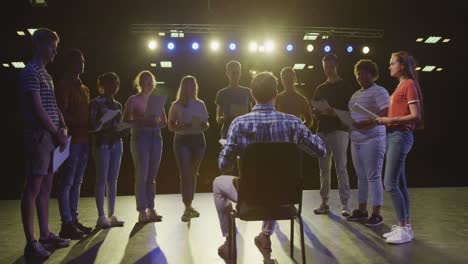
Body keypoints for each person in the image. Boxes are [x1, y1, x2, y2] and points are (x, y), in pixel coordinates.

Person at [213, 72, 326, 263]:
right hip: (285, 196)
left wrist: (230, 148)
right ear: (276, 93)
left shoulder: (239, 124)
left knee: (218, 184)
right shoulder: (293, 123)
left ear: (253, 95)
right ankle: (265, 235)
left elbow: (224, 165)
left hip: (251, 195)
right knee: (274, 180)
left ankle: (229, 241)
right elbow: (320, 151)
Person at [19, 28, 71, 258]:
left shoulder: (46, 75)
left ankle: (46, 234)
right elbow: (36, 107)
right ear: (39, 45)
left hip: (51, 136)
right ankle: (31, 242)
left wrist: (62, 125)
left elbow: (53, 106)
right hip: (39, 136)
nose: (55, 51)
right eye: (52, 46)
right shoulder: (31, 72)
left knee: (46, 187)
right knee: (33, 187)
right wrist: (54, 130)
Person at [376, 51, 424, 244]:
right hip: (394, 135)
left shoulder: (409, 85)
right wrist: (384, 118)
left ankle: (404, 229)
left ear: (402, 65)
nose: (389, 66)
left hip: (401, 135)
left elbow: (416, 116)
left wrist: (390, 119)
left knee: (390, 183)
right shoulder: (400, 86)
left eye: (392, 63)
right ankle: (405, 227)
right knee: (400, 184)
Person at [345, 59, 389, 227]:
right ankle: (362, 210)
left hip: (373, 138)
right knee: (361, 176)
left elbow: (384, 113)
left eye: (363, 73)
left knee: (373, 176)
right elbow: (351, 115)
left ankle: (376, 213)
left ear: (372, 74)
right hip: (356, 139)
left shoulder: (380, 91)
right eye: (358, 74)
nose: (360, 77)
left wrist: (367, 123)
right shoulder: (355, 95)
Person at [55, 49, 93, 239]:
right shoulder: (64, 85)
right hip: (71, 141)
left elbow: (85, 114)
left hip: (84, 140)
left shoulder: (85, 88)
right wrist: (80, 121)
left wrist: (93, 122)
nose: (83, 63)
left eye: (83, 60)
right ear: (71, 63)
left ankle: (73, 219)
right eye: (79, 60)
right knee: (67, 182)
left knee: (77, 182)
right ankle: (66, 223)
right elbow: (61, 113)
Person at [311, 53, 354, 216]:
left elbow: (350, 112)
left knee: (341, 167)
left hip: (339, 131)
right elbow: (315, 109)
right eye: (325, 68)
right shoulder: (320, 88)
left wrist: (333, 112)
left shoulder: (346, 87)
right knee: (323, 169)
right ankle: (324, 202)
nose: (328, 70)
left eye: (330, 67)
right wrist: (316, 112)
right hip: (322, 131)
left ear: (336, 66)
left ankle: (345, 205)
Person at [123, 70, 166, 223]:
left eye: (150, 81)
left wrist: (155, 122)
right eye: (145, 81)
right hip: (140, 138)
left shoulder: (157, 100)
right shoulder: (133, 100)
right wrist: (142, 121)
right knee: (142, 174)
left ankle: (151, 208)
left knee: (152, 176)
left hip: (156, 137)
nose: (148, 84)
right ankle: (142, 210)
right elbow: (125, 122)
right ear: (139, 84)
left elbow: (164, 122)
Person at [168, 76, 209, 222]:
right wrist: (182, 126)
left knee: (193, 173)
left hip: (198, 139)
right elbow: (170, 125)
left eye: (194, 85)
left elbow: (206, 122)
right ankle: (186, 207)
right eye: (189, 85)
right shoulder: (176, 105)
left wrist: (204, 125)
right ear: (184, 87)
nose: (192, 87)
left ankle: (190, 206)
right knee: (185, 173)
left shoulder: (200, 104)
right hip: (182, 140)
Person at [89, 72, 126, 229]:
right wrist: (106, 125)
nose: (114, 87)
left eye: (116, 84)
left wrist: (124, 128)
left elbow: (120, 126)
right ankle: (101, 216)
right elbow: (92, 126)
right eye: (111, 83)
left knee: (113, 179)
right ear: (102, 86)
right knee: (101, 179)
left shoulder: (118, 105)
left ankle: (111, 214)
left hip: (116, 143)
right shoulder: (95, 103)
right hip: (101, 144)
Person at [215, 60, 253, 139]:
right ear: (227, 74)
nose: (235, 75)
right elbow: (218, 118)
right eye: (233, 73)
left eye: (237, 72)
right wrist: (222, 119)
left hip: (244, 132)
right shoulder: (222, 93)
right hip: (228, 132)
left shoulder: (247, 92)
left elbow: (251, 113)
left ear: (240, 73)